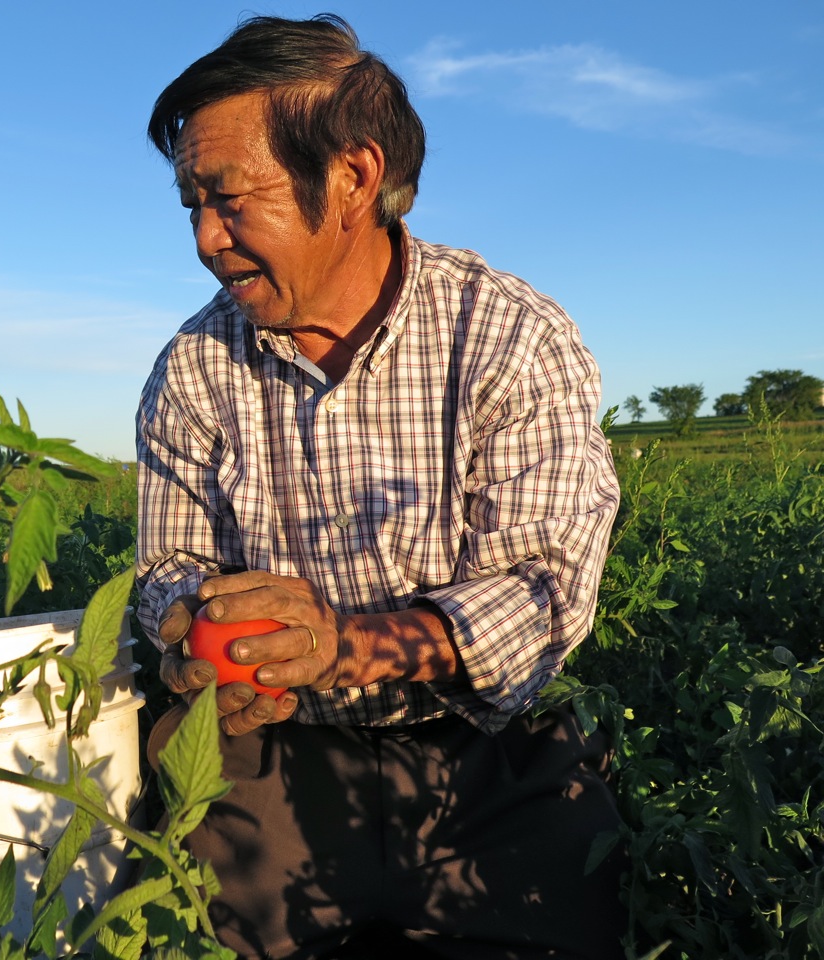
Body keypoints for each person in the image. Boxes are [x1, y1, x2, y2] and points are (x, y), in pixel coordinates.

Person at [134, 13, 627, 960]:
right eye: (190, 203)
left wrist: (345, 646)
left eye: (230, 198)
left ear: (353, 178)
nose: (204, 237)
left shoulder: (507, 335)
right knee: (180, 928)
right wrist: (190, 621)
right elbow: (165, 561)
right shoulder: (196, 365)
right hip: (275, 757)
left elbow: (544, 587)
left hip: (485, 765)